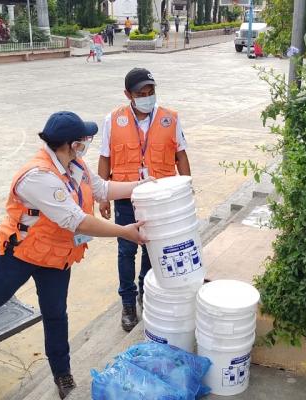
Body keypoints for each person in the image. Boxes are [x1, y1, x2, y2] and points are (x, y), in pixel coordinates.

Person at [0, 111, 151, 399]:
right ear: (69, 144)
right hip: (18, 253)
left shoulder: (74, 163)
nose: (85, 145)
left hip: (55, 256)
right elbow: (77, 221)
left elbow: (102, 188)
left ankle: (62, 374)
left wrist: (140, 186)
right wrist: (124, 231)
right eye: (83, 140)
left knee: (56, 314)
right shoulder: (39, 176)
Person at [97, 68, 191, 332]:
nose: (147, 98)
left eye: (151, 93)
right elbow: (105, 158)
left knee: (153, 249)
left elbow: (181, 156)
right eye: (141, 94)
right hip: (127, 197)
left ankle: (145, 292)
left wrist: (187, 189)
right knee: (126, 251)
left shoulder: (169, 119)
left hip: (161, 198)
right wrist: (102, 195)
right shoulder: (113, 120)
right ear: (128, 95)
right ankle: (128, 303)